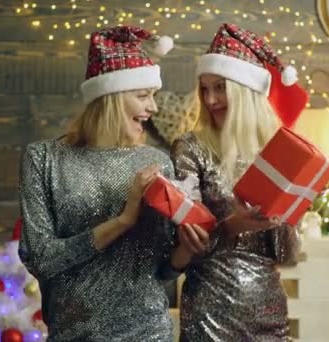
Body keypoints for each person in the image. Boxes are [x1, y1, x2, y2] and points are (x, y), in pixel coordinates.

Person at [18, 26, 184, 341]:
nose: (154, 108)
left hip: (149, 333)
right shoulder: (43, 159)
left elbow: (162, 269)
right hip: (74, 334)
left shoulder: (158, 163)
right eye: (142, 96)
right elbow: (40, 259)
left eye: (154, 96)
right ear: (110, 98)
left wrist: (188, 249)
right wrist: (123, 221)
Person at [171, 23, 307, 341]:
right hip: (209, 312)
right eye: (204, 89)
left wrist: (294, 206)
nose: (210, 99)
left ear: (245, 92)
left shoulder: (277, 150)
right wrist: (233, 225)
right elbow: (181, 247)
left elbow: (286, 254)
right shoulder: (191, 147)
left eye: (220, 87)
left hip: (269, 311)